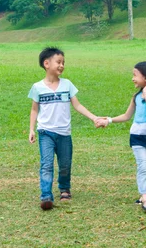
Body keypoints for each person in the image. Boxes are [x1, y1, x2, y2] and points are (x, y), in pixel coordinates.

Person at [28, 47, 105, 210]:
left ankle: (64, 189)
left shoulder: (67, 85)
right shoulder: (37, 87)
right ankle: (46, 196)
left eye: (63, 62)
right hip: (45, 132)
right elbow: (34, 109)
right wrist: (31, 129)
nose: (62, 65)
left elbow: (77, 105)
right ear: (46, 63)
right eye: (58, 62)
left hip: (64, 133)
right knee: (46, 164)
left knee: (65, 164)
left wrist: (94, 117)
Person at [105, 61, 146, 214]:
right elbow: (126, 116)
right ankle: (145, 198)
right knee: (143, 165)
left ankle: (145, 194)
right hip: (138, 135)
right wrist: (108, 120)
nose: (133, 78)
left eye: (135, 75)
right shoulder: (136, 97)